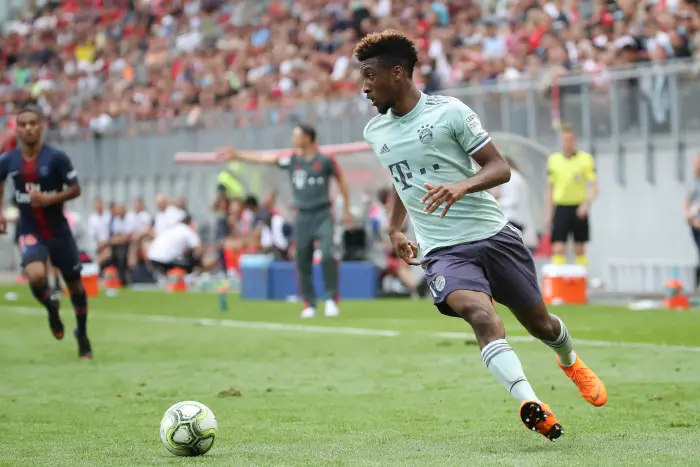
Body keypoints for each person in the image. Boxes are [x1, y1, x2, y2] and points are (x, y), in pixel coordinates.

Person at [355, 31, 606, 441]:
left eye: (370, 76)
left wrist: (462, 186)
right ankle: (530, 402)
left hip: (494, 236)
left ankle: (571, 360)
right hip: (443, 251)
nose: (364, 87)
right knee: (481, 315)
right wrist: (395, 227)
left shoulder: (449, 112)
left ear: (397, 73)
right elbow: (401, 179)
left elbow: (499, 168)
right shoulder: (375, 131)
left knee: (541, 325)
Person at [216, 124, 353, 319]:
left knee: (328, 254)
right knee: (302, 258)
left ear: (308, 138)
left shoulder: (325, 160)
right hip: (302, 216)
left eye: (296, 135)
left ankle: (331, 299)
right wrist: (238, 155)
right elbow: (265, 159)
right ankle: (309, 303)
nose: (293, 138)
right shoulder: (292, 160)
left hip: (323, 214)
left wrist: (346, 210)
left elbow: (342, 182)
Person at [0, 105, 92, 359]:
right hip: (30, 229)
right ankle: (51, 308)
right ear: (17, 129)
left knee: (75, 285)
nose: (28, 128)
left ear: (41, 126)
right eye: (23, 124)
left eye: (33, 123)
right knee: (35, 275)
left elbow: (75, 189)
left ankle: (82, 334)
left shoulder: (56, 158)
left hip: (58, 230)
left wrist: (49, 199)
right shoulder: (9, 160)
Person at [546, 124, 598, 267]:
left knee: (580, 248)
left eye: (570, 139)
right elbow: (550, 188)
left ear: (574, 140)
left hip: (578, 207)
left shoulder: (585, 159)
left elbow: (594, 186)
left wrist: (586, 203)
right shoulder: (554, 160)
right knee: (558, 247)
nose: (568, 143)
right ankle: (559, 280)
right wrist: (548, 214)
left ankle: (582, 280)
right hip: (561, 206)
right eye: (565, 139)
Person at [684, 155, 700, 289]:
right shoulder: (694, 183)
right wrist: (691, 220)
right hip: (697, 224)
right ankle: (697, 284)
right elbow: (687, 203)